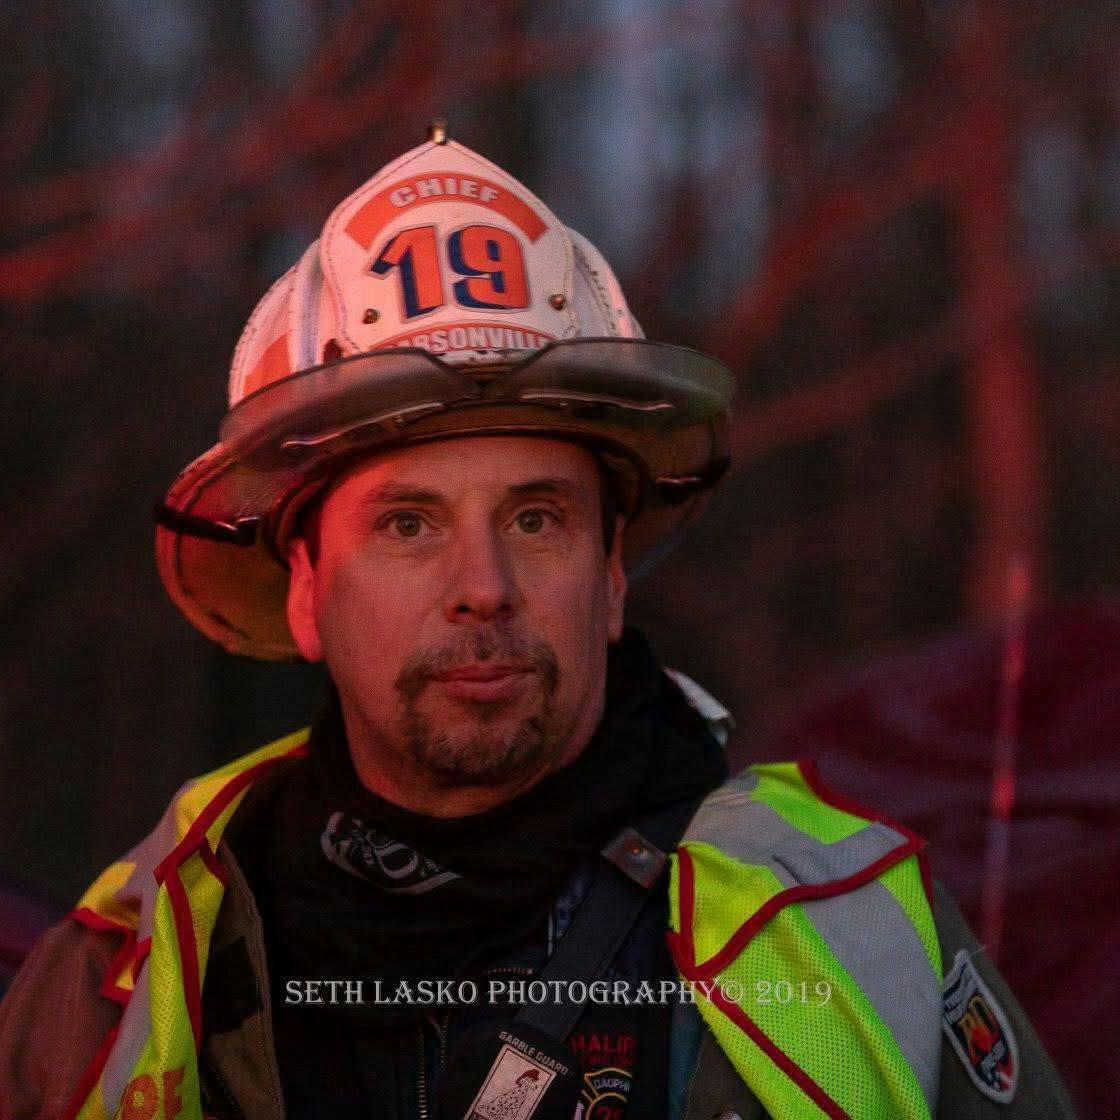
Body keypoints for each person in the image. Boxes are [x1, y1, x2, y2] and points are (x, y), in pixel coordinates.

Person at [0, 126, 1078, 1120]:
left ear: (611, 576)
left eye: (536, 516)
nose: (484, 585)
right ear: (304, 587)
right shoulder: (125, 964)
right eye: (409, 523)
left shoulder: (848, 928)